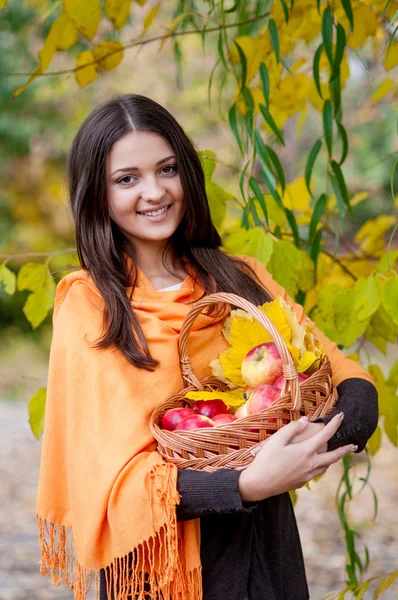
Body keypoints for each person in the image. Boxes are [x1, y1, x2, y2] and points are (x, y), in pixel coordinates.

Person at [36, 94, 378, 600]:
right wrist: (246, 482)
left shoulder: (241, 278)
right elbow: (113, 481)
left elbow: (349, 380)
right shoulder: (90, 306)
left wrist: (306, 448)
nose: (153, 192)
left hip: (264, 552)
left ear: (187, 174)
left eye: (167, 169)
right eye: (127, 178)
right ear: (98, 194)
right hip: (155, 573)